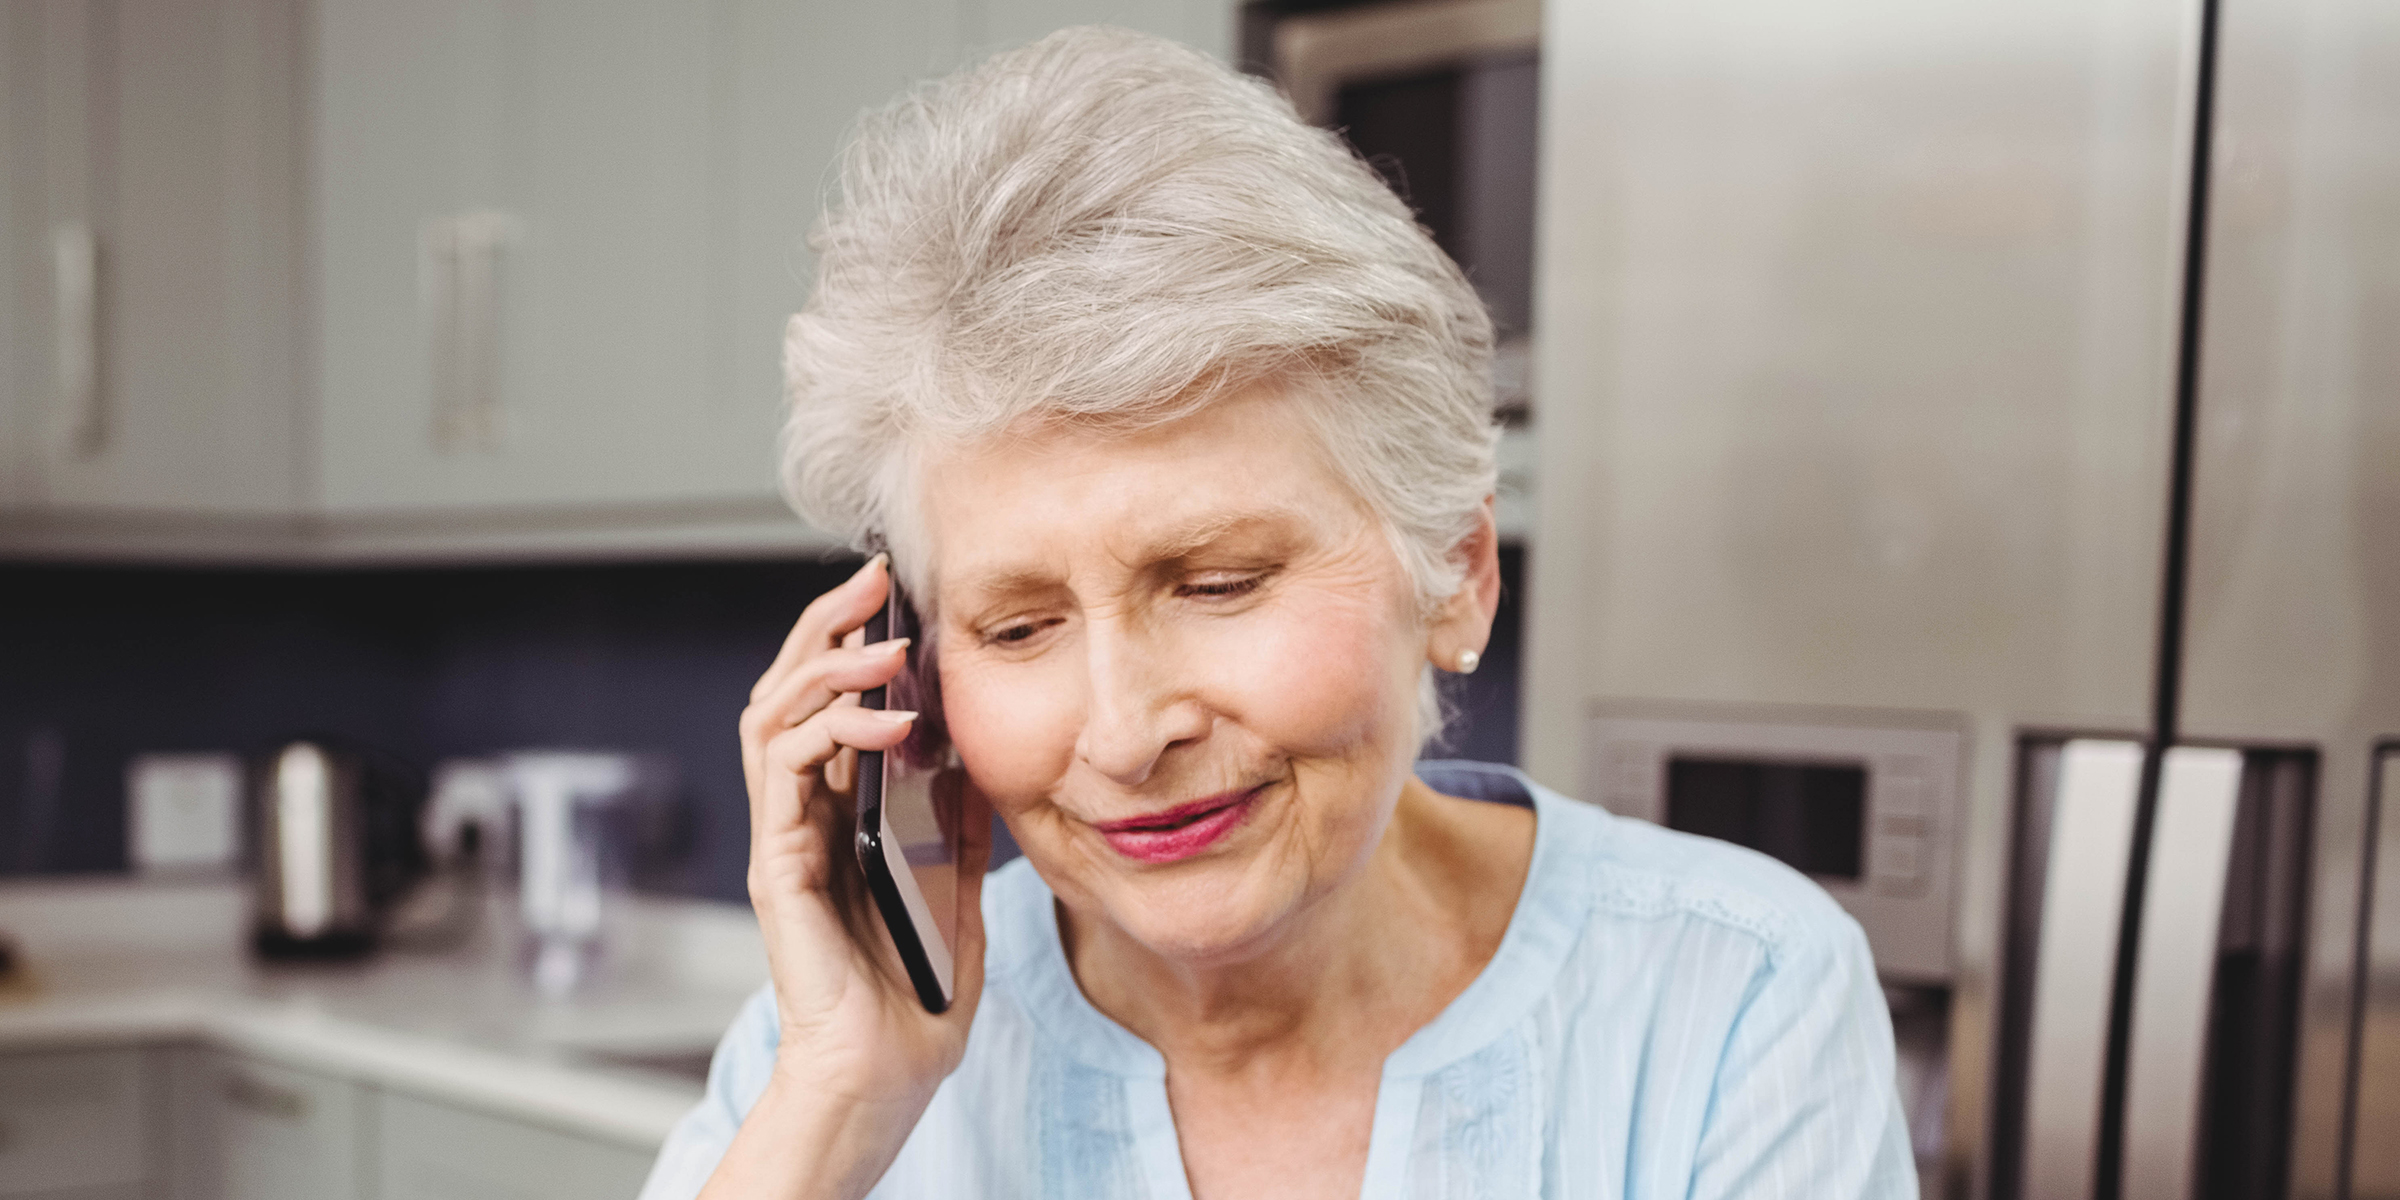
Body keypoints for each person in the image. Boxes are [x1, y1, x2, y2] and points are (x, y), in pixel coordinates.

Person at [640, 26, 1914, 1200]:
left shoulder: (1737, 993)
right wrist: (838, 1109)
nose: (1128, 734)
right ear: (910, 678)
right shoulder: (843, 1035)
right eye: (1018, 627)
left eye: (1218, 584)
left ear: (1458, 571)